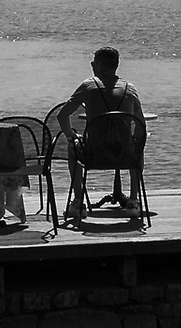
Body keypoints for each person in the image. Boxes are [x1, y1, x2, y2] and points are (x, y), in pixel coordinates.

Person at [58, 46, 145, 216]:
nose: (91, 65)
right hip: (124, 155)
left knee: (72, 146)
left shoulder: (88, 86)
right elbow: (141, 126)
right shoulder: (130, 89)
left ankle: (78, 202)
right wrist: (134, 140)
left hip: (93, 155)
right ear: (116, 65)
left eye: (93, 63)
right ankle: (133, 202)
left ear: (98, 65)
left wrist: (70, 136)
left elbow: (62, 116)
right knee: (138, 146)